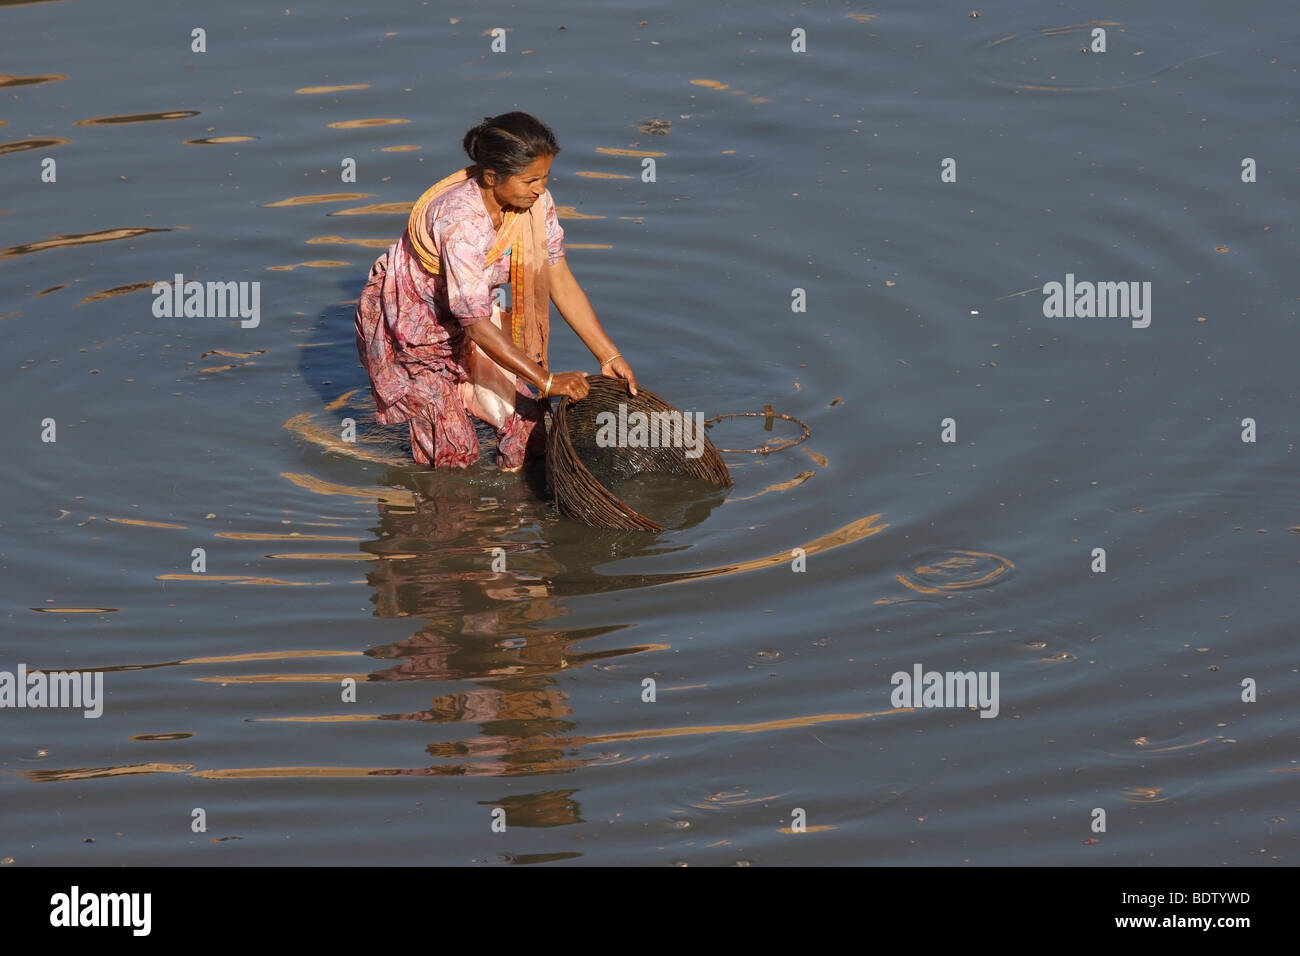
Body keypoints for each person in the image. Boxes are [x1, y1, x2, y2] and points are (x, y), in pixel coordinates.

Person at [354, 111, 637, 472]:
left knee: (530, 429)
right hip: (414, 328)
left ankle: (516, 509)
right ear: (491, 178)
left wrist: (609, 356)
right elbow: (475, 324)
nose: (539, 188)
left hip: (470, 314)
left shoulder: (536, 205)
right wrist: (547, 381)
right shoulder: (461, 221)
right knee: (454, 455)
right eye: (529, 180)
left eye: (545, 178)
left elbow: (560, 282)